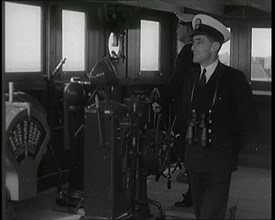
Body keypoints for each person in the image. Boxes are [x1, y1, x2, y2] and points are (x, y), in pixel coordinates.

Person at [181, 14, 257, 219]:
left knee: (210, 216)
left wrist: (227, 149)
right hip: (195, 162)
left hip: (219, 163)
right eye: (193, 42)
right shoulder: (190, 78)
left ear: (215, 47)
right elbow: (186, 115)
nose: (193, 47)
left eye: (199, 42)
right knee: (200, 214)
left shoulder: (234, 79)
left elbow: (247, 123)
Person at [152, 14, 198, 208]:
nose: (177, 31)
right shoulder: (193, 51)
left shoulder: (188, 52)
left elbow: (177, 80)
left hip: (186, 108)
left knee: (189, 151)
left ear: (188, 30)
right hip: (191, 106)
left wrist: (160, 101)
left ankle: (193, 195)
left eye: (180, 28)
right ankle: (194, 194)